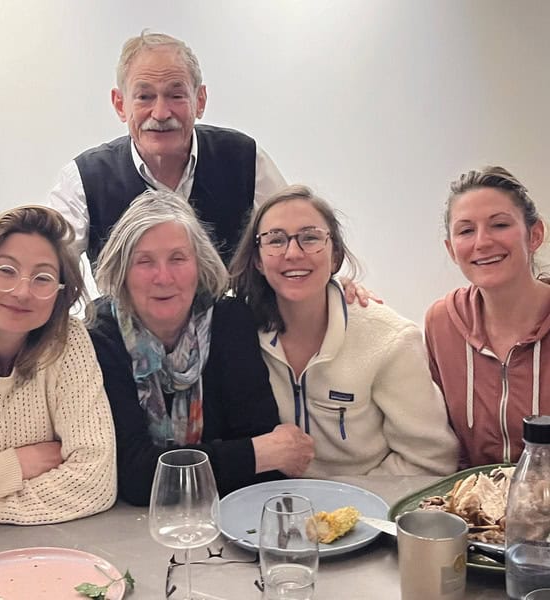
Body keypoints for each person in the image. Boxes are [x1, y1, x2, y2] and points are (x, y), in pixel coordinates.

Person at [86, 190, 314, 505]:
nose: (163, 277)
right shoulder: (99, 336)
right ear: (122, 273)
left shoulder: (229, 321)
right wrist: (253, 454)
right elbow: (133, 476)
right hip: (124, 529)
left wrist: (256, 455)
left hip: (226, 518)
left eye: (178, 258)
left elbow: (266, 468)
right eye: (144, 261)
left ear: (199, 265)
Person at [230, 184, 458, 478]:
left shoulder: (391, 340)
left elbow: (431, 460)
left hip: (365, 511)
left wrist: (342, 511)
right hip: (267, 510)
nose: (293, 253)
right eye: (276, 240)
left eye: (310, 238)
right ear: (258, 259)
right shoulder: (235, 332)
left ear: (335, 255)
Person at [47, 30, 286, 265]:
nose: (161, 113)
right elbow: (46, 262)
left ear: (200, 101)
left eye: (176, 95)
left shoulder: (244, 159)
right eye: (144, 97)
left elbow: (292, 237)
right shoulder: (85, 178)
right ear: (120, 104)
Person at [0, 206, 116, 527]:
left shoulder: (67, 341)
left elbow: (96, 484)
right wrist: (11, 467)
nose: (22, 291)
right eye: (6, 270)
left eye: (43, 278)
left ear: (60, 293)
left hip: (44, 548)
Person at [425, 166, 550, 468]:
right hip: (471, 508)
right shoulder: (441, 322)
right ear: (452, 250)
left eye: (500, 225)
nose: (482, 242)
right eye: (466, 231)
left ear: (535, 235)